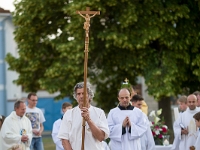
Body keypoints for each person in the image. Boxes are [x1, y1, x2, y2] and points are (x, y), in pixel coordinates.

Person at [57, 82, 109, 150]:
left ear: (89, 95)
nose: (81, 96)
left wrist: (89, 120)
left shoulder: (99, 113)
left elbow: (101, 137)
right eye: (78, 94)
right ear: (76, 96)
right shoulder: (69, 114)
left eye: (83, 93)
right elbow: (64, 139)